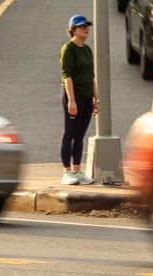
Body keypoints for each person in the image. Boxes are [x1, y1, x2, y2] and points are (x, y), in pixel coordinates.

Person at [59, 14, 99, 185]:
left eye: (87, 26)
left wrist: (96, 100)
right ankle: (67, 172)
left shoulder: (87, 49)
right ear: (73, 30)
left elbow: (91, 76)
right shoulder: (68, 49)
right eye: (82, 26)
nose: (86, 29)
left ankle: (77, 171)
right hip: (73, 96)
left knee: (80, 135)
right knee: (70, 133)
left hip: (86, 96)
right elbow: (67, 76)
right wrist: (71, 100)